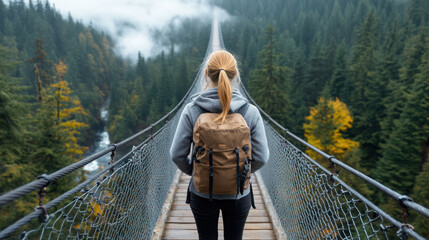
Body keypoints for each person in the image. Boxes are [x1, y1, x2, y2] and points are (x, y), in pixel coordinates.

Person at [170, 50, 269, 240]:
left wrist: (196, 170)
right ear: (235, 74)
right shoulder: (251, 112)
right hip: (239, 193)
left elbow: (176, 154)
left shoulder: (192, 110)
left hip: (202, 193)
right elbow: (263, 157)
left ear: (206, 73)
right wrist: (241, 171)